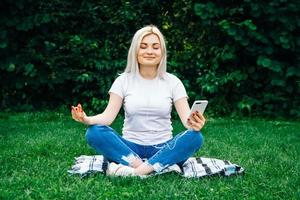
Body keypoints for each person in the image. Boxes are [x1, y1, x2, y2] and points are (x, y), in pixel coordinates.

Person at [71, 25, 206, 176]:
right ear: (135, 51)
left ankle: (136, 171)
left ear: (162, 52)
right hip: (130, 149)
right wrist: (86, 119)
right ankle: (149, 167)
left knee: (195, 137)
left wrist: (195, 123)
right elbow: (107, 118)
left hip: (163, 149)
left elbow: (187, 122)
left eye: (155, 47)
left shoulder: (173, 82)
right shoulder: (123, 81)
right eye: (143, 47)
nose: (149, 51)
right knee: (94, 132)